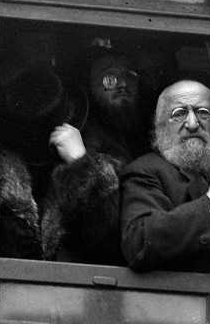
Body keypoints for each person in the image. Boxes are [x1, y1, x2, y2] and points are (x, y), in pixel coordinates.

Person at [120, 78, 210, 273]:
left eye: (203, 113)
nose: (192, 123)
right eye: (178, 114)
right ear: (159, 126)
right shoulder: (146, 170)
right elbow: (138, 245)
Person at [40, 43, 150, 264]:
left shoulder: (141, 142)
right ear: (88, 88)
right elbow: (104, 237)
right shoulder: (79, 141)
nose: (122, 85)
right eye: (109, 78)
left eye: (129, 76)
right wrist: (81, 162)